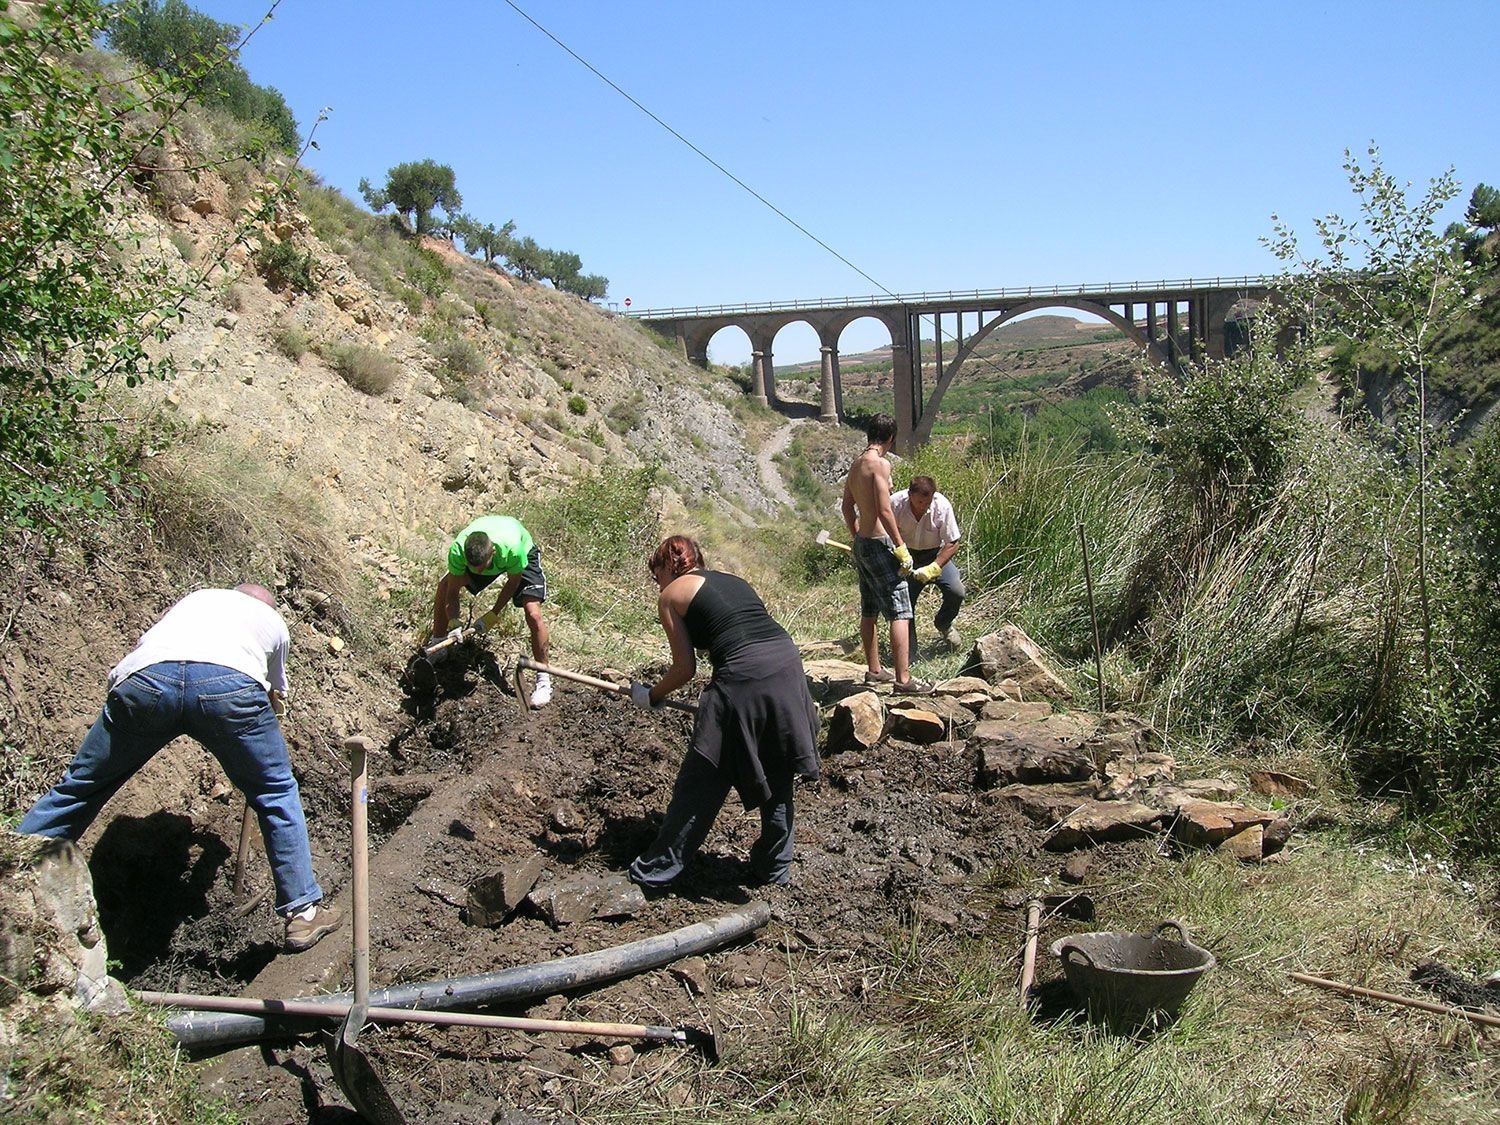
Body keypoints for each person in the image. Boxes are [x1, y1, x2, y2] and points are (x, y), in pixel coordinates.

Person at [17, 585, 342, 953]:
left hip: (145, 681)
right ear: (266, 606)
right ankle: (302, 911)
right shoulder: (273, 621)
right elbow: (274, 693)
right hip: (229, 688)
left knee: (80, 787)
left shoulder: (197, 599)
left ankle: (12, 873)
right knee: (275, 791)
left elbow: (150, 655)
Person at [627, 535, 820, 890]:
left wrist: (650, 694)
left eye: (657, 576)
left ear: (669, 566)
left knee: (704, 774)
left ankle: (654, 870)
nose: (658, 585)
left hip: (745, 675)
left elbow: (684, 668)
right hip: (788, 665)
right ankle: (773, 867)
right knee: (777, 769)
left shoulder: (671, 595)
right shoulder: (733, 580)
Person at [840, 414, 933, 694]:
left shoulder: (856, 465)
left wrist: (857, 537)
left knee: (869, 608)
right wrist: (900, 546)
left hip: (864, 544)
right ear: (890, 438)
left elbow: (847, 507)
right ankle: (904, 681)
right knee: (900, 610)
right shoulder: (879, 464)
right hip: (880, 542)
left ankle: (875, 671)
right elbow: (884, 509)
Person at [432, 514, 553, 707]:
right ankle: (437, 643)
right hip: (486, 552)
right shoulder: (458, 550)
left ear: (493, 553)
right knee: (444, 585)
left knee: (533, 613)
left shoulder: (513, 549)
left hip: (521, 550)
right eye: (474, 568)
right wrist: (454, 622)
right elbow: (452, 592)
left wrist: (493, 614)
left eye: (482, 568)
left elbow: (513, 583)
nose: (478, 573)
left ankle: (544, 680)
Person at [893, 475, 966, 649]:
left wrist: (934, 567)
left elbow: (953, 542)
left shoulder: (941, 505)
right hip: (904, 556)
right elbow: (884, 531)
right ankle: (910, 651)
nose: (924, 506)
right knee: (905, 602)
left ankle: (944, 623)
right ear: (910, 494)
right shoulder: (895, 503)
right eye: (919, 502)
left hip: (934, 555)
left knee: (956, 591)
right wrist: (899, 555)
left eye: (927, 502)